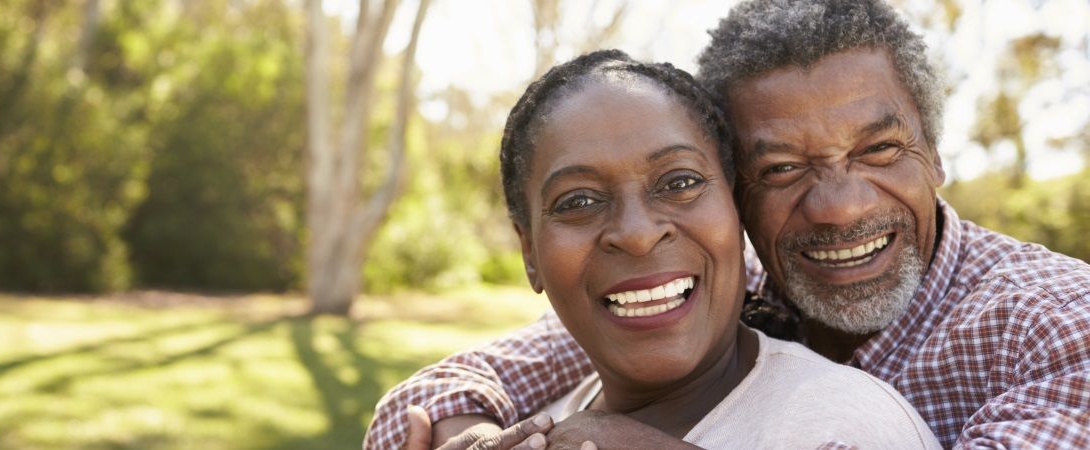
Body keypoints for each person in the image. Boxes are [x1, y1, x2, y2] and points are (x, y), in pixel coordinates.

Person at [365, 0, 1090, 449]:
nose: (839, 205)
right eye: (780, 170)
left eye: (878, 151)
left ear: (934, 154)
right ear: (735, 197)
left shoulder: (1060, 325)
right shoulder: (730, 290)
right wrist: (470, 436)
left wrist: (627, 444)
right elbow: (458, 383)